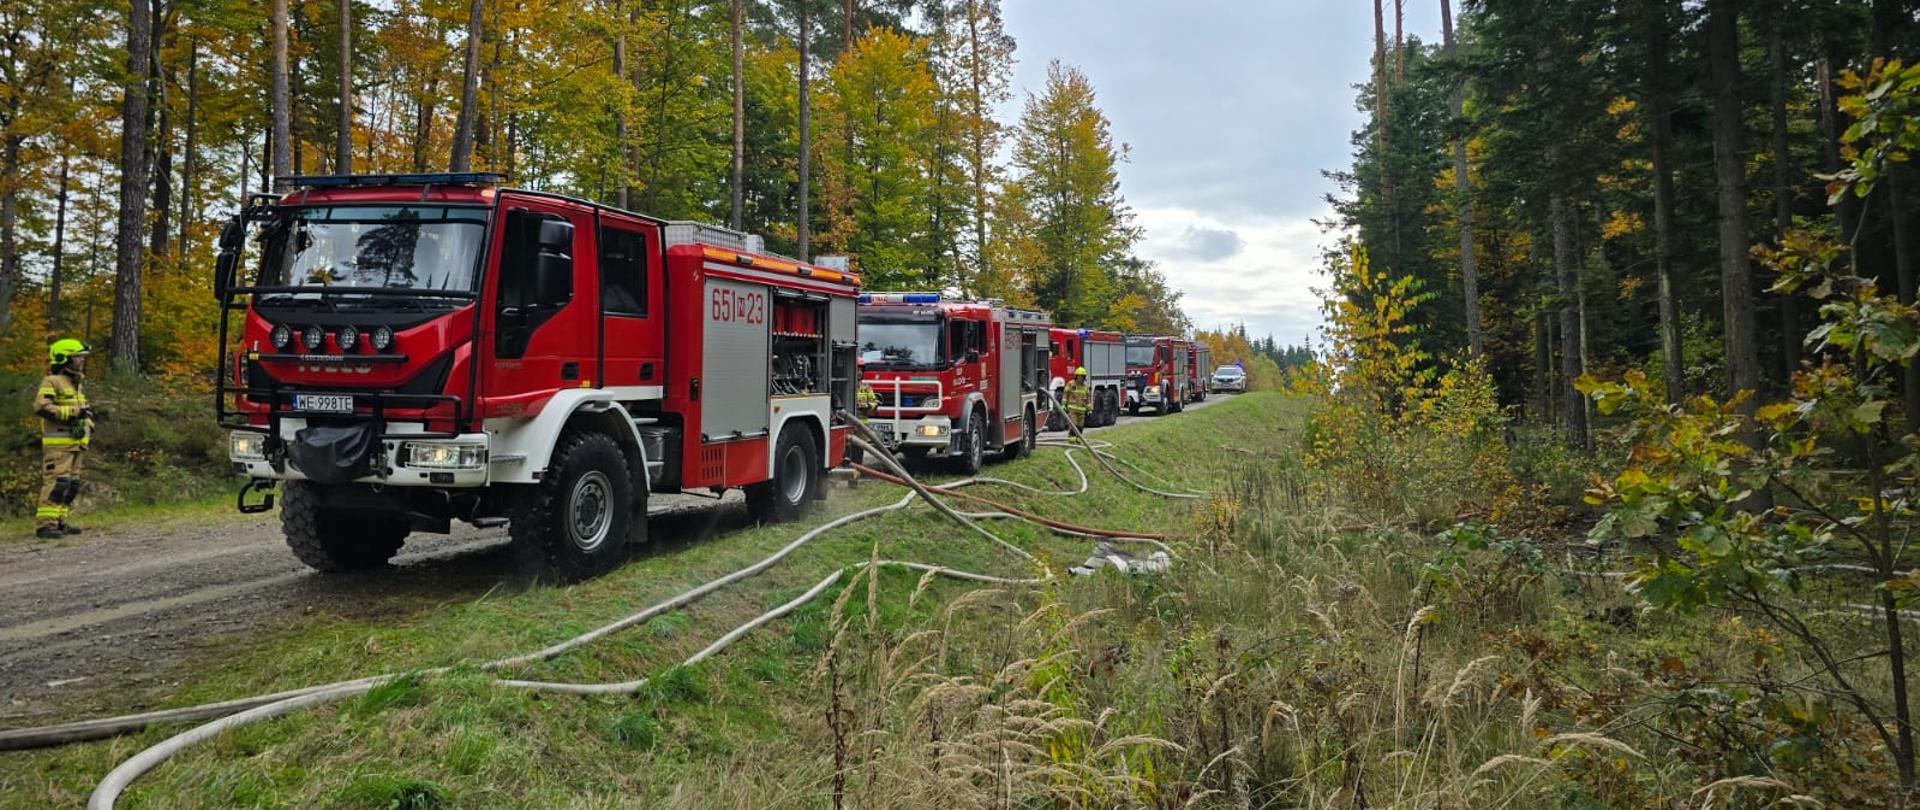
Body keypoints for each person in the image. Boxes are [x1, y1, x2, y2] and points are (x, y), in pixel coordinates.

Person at [35, 339, 95, 539]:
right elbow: (42, 407)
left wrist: (88, 421)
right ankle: (45, 526)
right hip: (58, 446)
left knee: (71, 486)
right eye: (77, 357)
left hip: (75, 445)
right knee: (56, 484)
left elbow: (81, 411)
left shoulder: (76, 384)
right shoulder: (51, 381)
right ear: (64, 358)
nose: (81, 361)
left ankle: (60, 522)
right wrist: (73, 412)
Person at [1064, 366, 1092, 431]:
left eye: (1082, 376)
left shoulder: (1085, 387)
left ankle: (1078, 440)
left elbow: (1088, 399)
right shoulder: (1071, 384)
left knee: (1080, 426)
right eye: (1079, 376)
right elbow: (1065, 394)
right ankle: (1072, 440)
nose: (1081, 378)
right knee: (1074, 425)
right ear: (1076, 376)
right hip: (1072, 410)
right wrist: (1063, 404)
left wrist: (1089, 409)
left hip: (1081, 411)